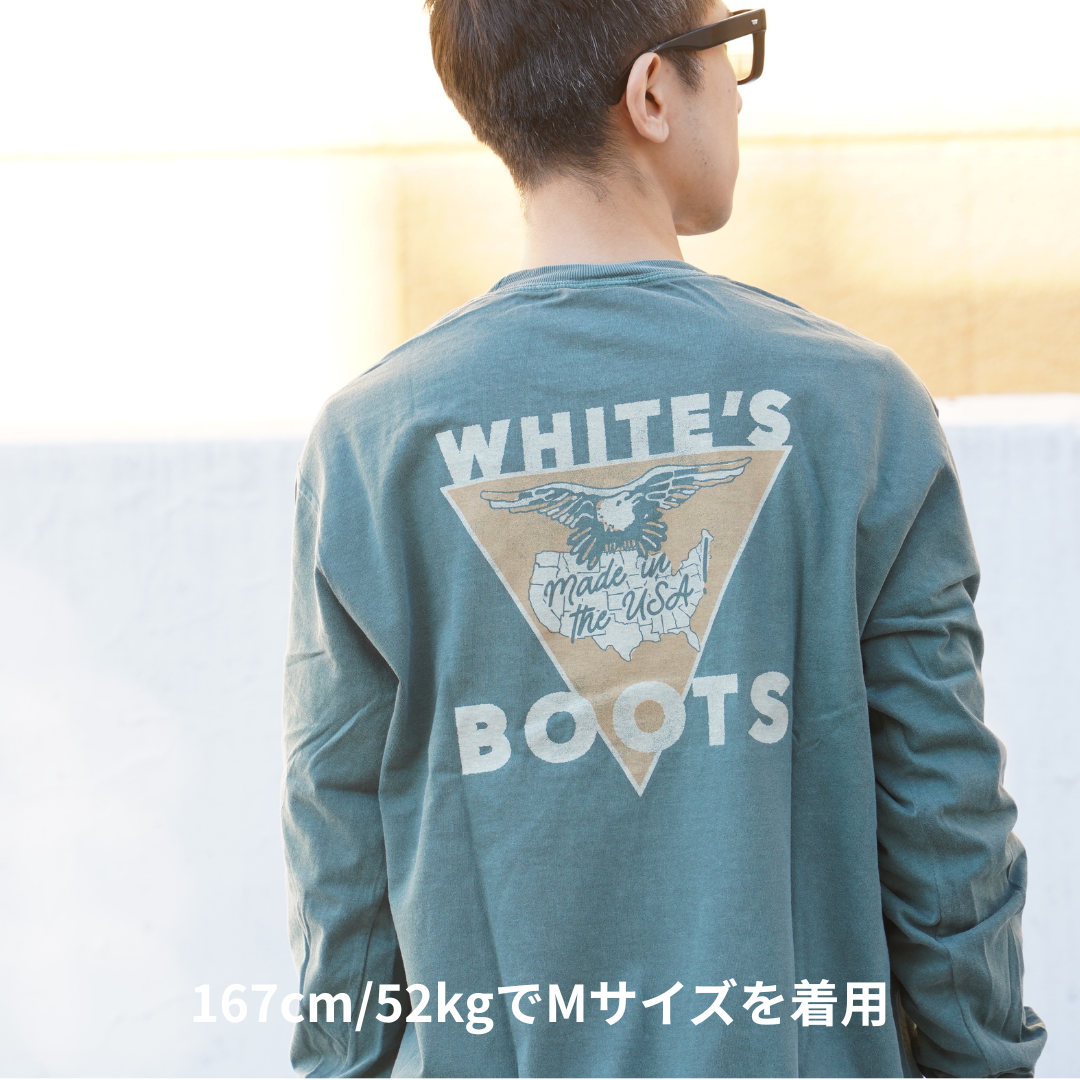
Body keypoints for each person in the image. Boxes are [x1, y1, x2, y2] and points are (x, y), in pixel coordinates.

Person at [281, 1, 1046, 1076]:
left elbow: (338, 835)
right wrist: (985, 1059)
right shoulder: (856, 406)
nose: (737, 90)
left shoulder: (375, 441)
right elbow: (942, 809)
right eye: (727, 48)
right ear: (651, 92)